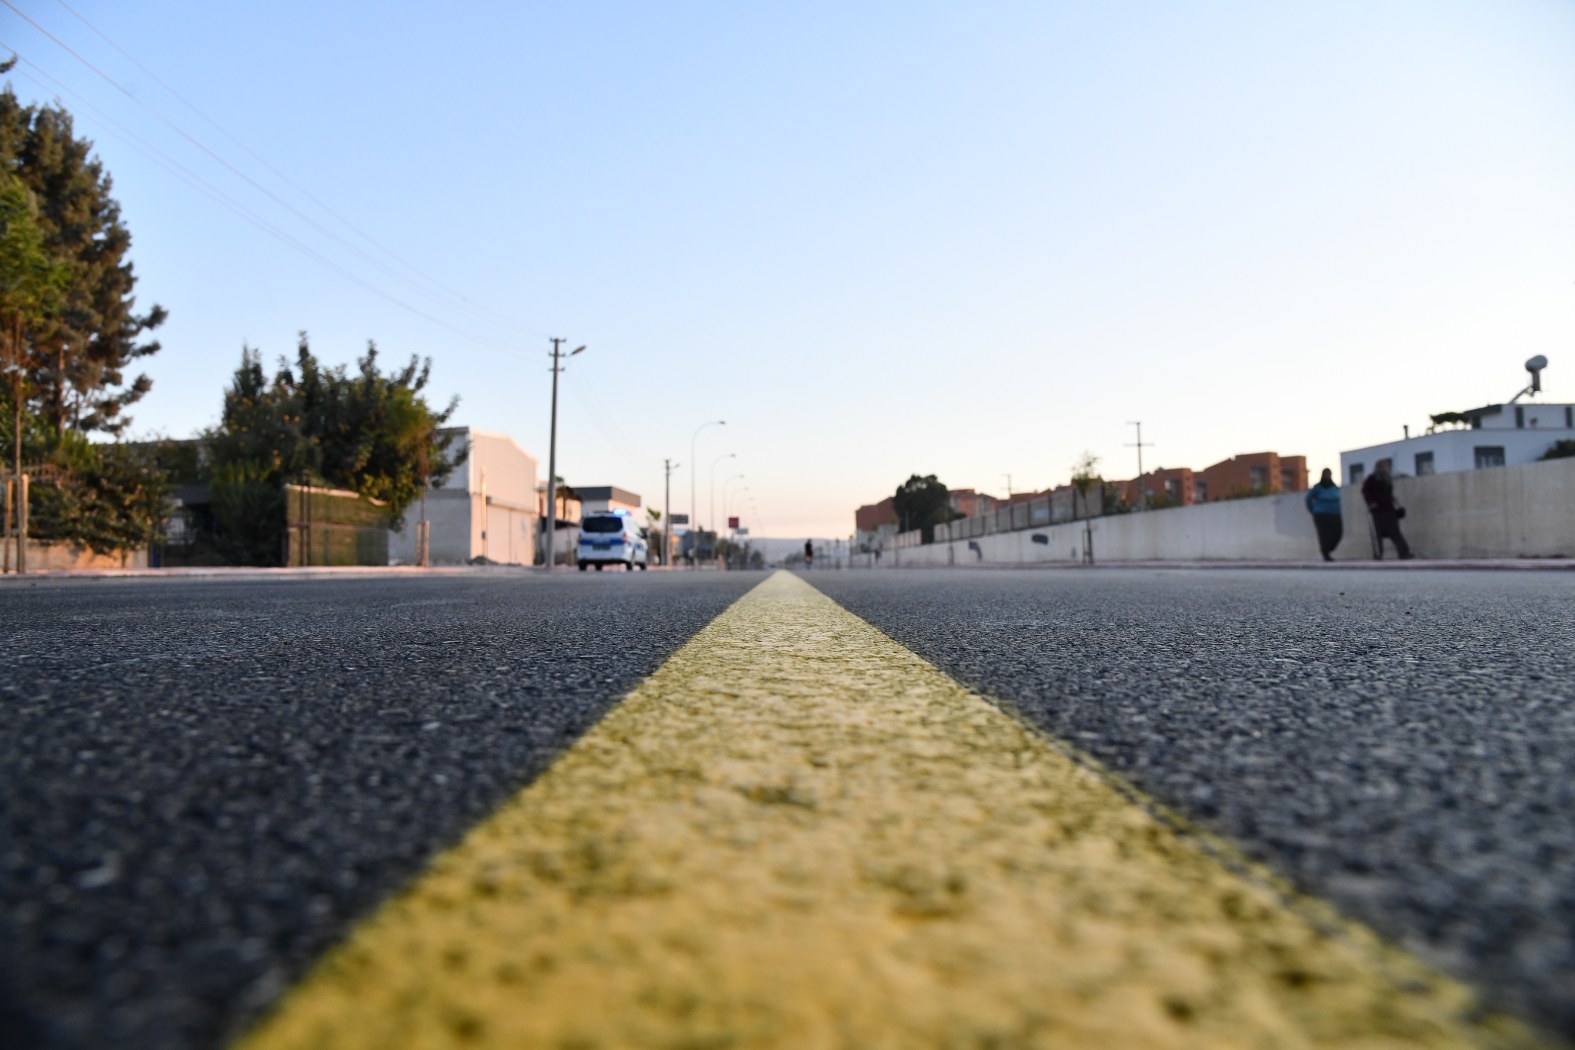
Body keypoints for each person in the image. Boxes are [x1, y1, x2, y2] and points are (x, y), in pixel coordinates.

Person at [1360, 462, 1413, 560]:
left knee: (1395, 533)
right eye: (1384, 467)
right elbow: (1365, 491)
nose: (1386, 469)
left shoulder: (1387, 479)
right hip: (1377, 511)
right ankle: (1378, 554)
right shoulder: (1372, 479)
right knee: (1377, 535)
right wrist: (1371, 503)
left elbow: (1389, 494)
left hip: (1389, 509)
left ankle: (1404, 553)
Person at [1304, 468, 1344, 562]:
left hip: (1335, 513)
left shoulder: (1335, 487)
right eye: (1326, 474)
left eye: (1329, 474)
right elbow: (1308, 499)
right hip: (1321, 514)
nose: (1327, 476)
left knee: (1338, 533)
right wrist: (1313, 510)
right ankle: (1325, 553)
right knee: (1324, 534)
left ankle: (1329, 548)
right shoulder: (1318, 487)